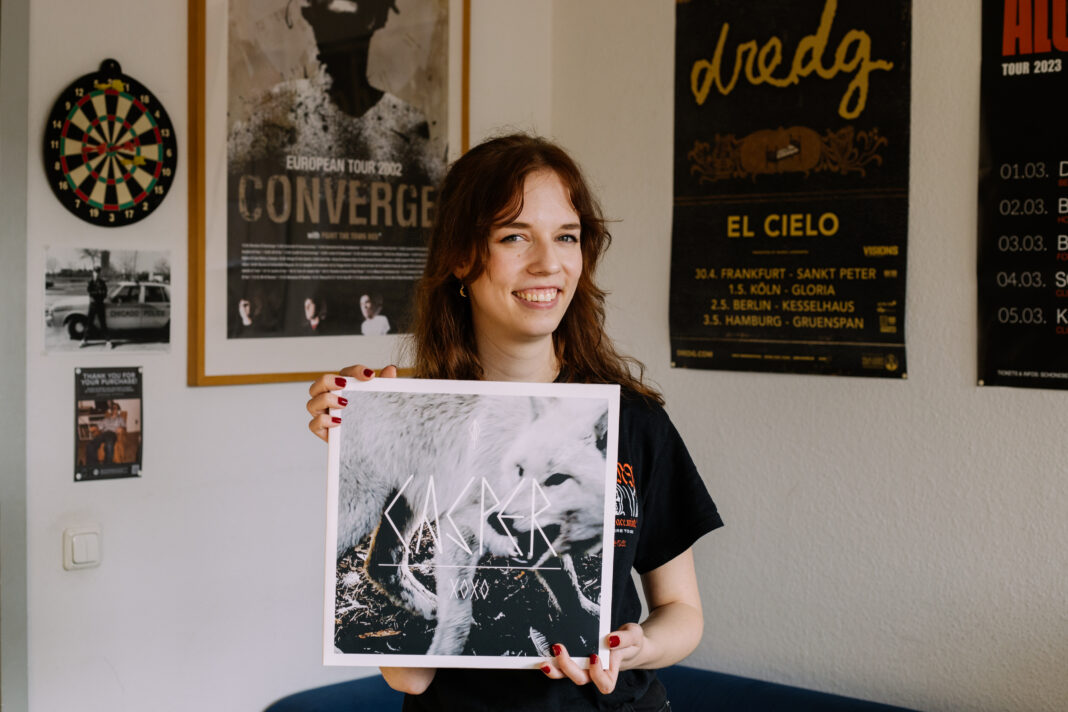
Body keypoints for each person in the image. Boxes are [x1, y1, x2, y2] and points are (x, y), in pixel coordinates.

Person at [306, 134, 722, 711]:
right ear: (460, 257)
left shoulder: (634, 421)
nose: (548, 263)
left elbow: (683, 613)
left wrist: (635, 646)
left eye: (567, 237)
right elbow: (410, 679)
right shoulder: (408, 415)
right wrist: (357, 433)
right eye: (514, 236)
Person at [81, 267, 112, 349]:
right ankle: (84, 340)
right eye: (95, 272)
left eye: (98, 272)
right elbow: (91, 293)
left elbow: (105, 294)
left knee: (103, 324)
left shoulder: (102, 283)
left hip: (100, 305)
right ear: (93, 273)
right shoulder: (90, 283)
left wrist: (98, 294)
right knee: (89, 324)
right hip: (93, 305)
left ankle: (108, 341)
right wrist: (99, 293)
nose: (97, 274)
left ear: (100, 274)